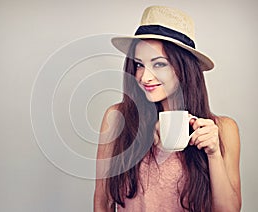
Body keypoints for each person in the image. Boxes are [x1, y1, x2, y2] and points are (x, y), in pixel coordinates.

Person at [94, 5, 241, 212]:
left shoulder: (224, 129)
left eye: (159, 64)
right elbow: (102, 203)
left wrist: (214, 154)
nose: (144, 77)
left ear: (184, 68)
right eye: (139, 64)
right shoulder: (118, 119)